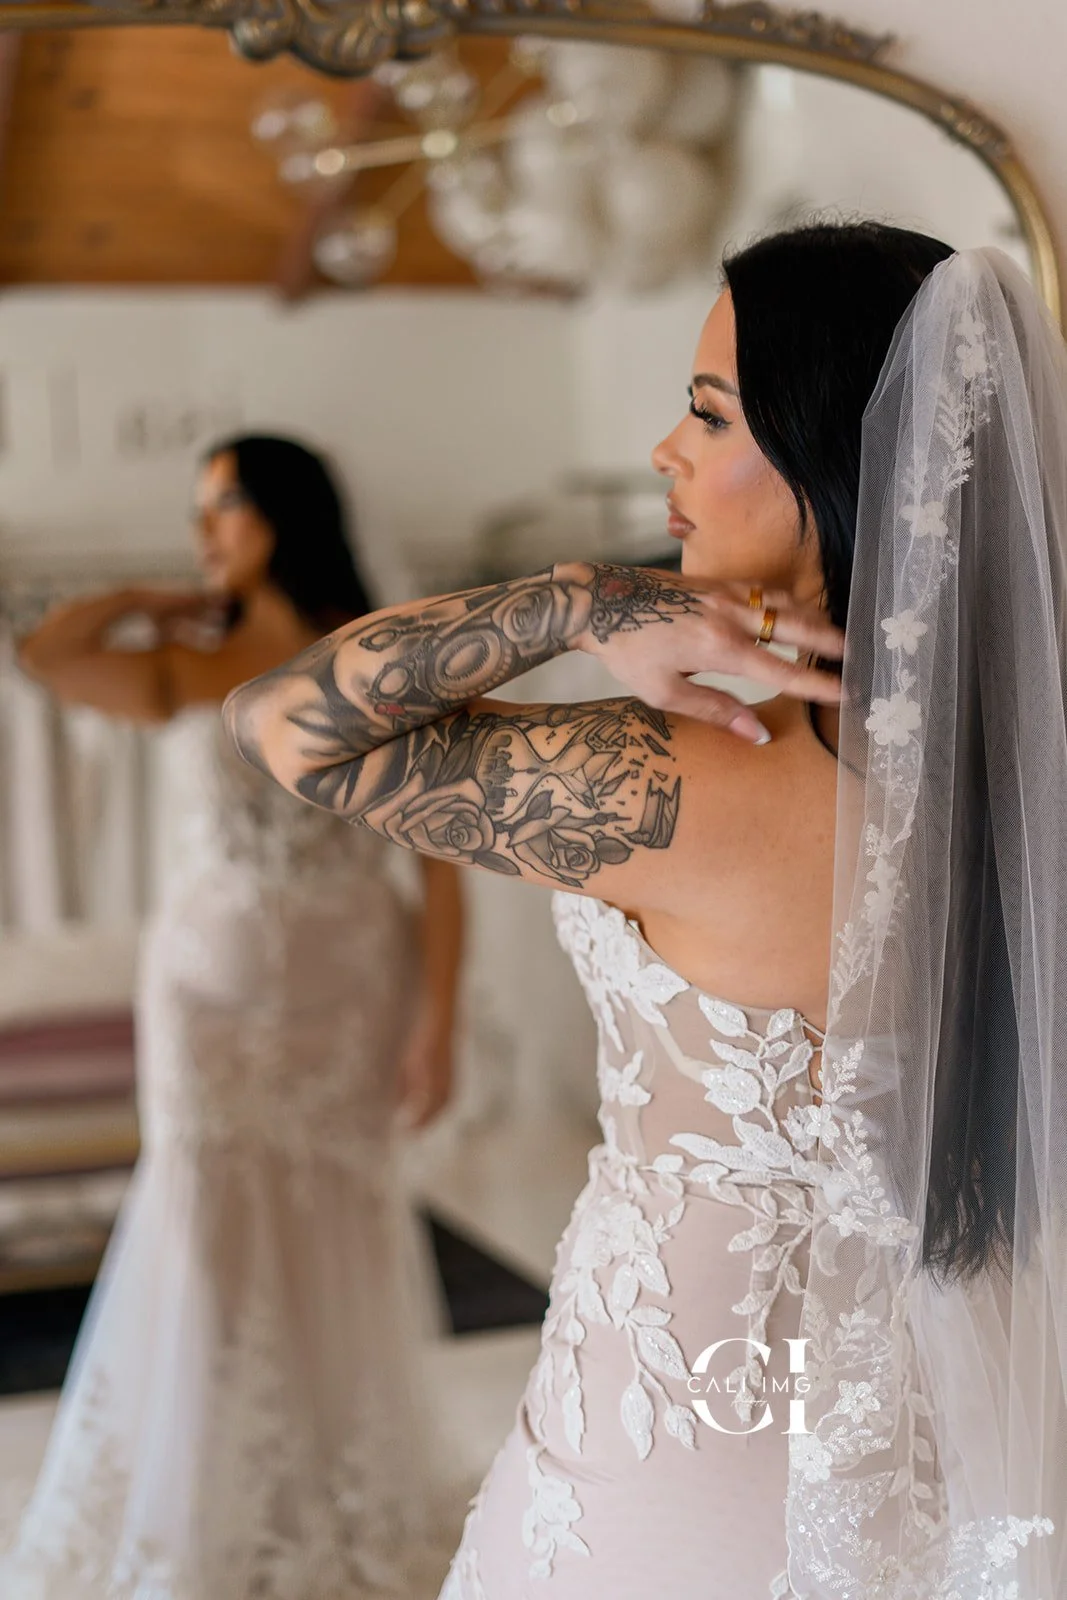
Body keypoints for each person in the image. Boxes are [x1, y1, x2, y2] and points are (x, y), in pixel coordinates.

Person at [222, 227, 1067, 1598]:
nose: (663, 451)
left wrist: (581, 601)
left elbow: (281, 724)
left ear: (835, 455)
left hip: (676, 1446)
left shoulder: (687, 784)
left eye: (707, 415)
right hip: (946, 1433)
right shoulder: (1024, 787)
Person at [2, 434, 462, 1596]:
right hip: (205, 991)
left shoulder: (373, 659)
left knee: (338, 1214)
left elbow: (442, 862)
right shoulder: (180, 663)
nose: (202, 531)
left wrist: (437, 1020)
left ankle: (327, 1479)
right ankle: (201, 1481)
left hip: (348, 985)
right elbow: (46, 656)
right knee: (204, 1213)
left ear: (283, 514)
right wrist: (149, 595)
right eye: (197, 512)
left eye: (222, 506)